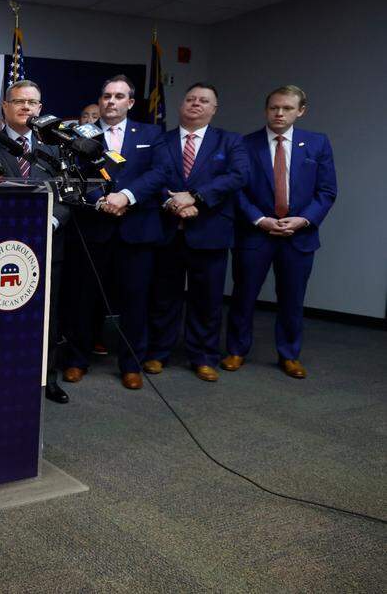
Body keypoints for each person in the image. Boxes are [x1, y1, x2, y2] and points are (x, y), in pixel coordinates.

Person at [63, 75, 168, 391]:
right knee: (84, 299)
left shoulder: (151, 134)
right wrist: (101, 201)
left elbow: (160, 173)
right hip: (94, 228)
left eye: (119, 96)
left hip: (137, 229)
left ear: (130, 103)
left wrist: (126, 197)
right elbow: (74, 173)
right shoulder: (82, 134)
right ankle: (76, 360)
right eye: (106, 95)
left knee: (135, 300)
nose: (111, 101)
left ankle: (131, 365)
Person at [224, 85, 336, 379]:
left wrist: (304, 220)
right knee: (244, 295)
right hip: (255, 233)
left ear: (301, 111)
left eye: (287, 108)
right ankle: (236, 350)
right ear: (266, 109)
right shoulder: (245, 144)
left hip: (298, 235)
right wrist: (259, 219)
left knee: (292, 298)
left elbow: (326, 191)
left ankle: (289, 354)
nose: (279, 113)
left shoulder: (317, 143)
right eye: (274, 107)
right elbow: (236, 190)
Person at [144, 83, 247, 382]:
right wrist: (173, 203)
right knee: (163, 297)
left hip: (210, 231)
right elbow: (151, 177)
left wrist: (195, 198)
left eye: (204, 100)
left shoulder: (230, 141)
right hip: (167, 231)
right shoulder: (161, 140)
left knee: (207, 299)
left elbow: (239, 176)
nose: (196, 104)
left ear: (214, 109)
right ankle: (157, 353)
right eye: (190, 99)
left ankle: (203, 357)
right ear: (181, 105)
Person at [0, 80, 71, 404]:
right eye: (19, 101)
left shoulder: (55, 146)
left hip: (48, 244)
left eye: (32, 102)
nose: (26, 107)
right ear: (5, 106)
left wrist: (50, 222)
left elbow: (67, 192)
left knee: (47, 316)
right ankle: (4, 376)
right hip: (2, 247)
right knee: (4, 316)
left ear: (40, 108)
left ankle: (46, 379)